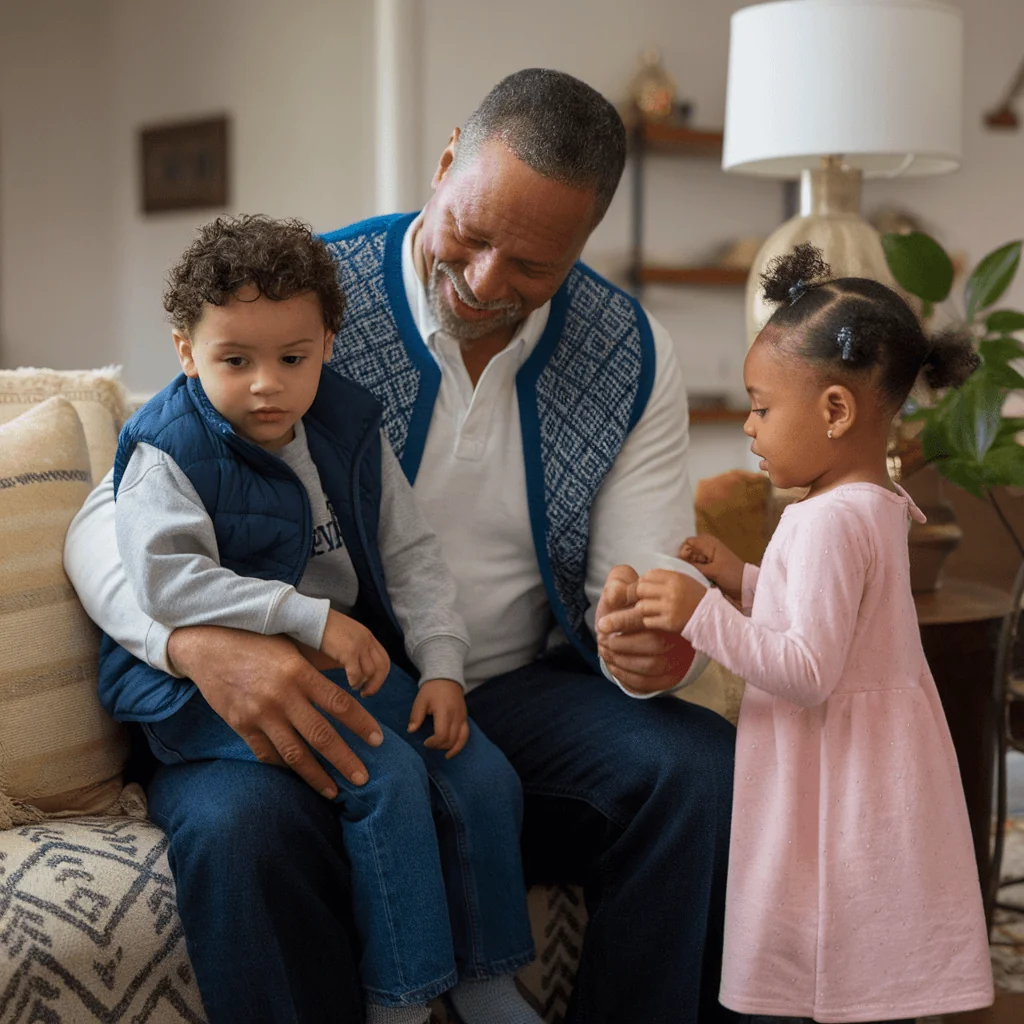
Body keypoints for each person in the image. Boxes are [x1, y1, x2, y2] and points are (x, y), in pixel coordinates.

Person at [65, 69, 737, 1024]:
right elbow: (113, 514)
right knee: (240, 830)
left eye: (535, 267)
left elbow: (640, 581)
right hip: (304, 672)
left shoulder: (629, 350)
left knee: (703, 768)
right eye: (472, 235)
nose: (485, 283)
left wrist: (651, 648)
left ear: (586, 245)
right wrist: (196, 645)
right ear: (447, 158)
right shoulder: (302, 304)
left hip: (505, 688)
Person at [109, 214, 543, 1024]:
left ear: (329, 343)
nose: (266, 384)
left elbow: (410, 554)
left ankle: (486, 980)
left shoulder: (348, 425)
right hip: (203, 693)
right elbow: (166, 582)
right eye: (233, 361)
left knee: (481, 769)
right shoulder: (165, 449)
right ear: (184, 350)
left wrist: (444, 665)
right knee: (386, 779)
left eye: (291, 358)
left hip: (335, 661)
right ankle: (403, 1000)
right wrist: (307, 618)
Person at [598, 243, 995, 1024]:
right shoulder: (870, 503)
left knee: (828, 933)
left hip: (834, 766)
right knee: (876, 941)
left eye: (761, 406)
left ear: (837, 410)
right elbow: (828, 613)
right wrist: (744, 577)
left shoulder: (821, 522)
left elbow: (808, 667)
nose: (748, 427)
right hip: (878, 751)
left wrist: (699, 613)